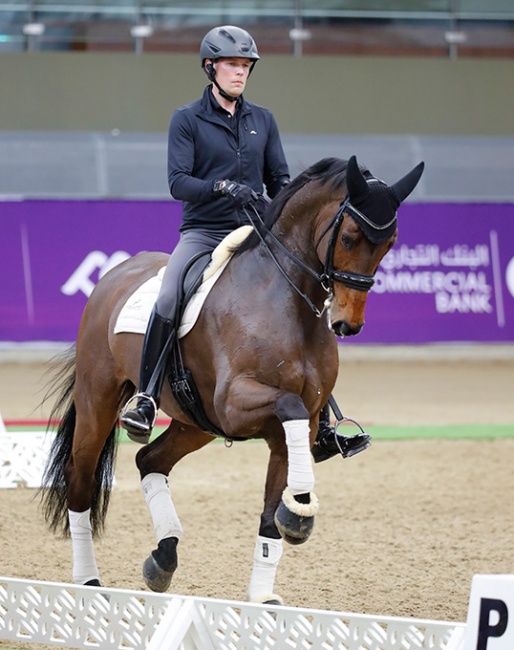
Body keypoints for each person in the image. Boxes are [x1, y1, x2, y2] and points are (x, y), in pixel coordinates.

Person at [120, 24, 370, 463]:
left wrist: (283, 205)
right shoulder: (187, 119)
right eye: (233, 65)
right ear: (210, 67)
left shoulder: (263, 120)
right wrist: (222, 187)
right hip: (204, 232)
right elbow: (178, 182)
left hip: (258, 233)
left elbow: (281, 180)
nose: (240, 73)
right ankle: (145, 398)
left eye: (246, 66)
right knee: (168, 295)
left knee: (305, 304)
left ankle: (326, 423)